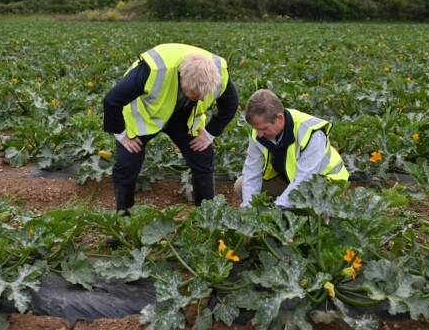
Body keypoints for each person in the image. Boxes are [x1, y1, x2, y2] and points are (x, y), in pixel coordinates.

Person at [103, 43, 239, 213]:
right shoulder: (152, 70)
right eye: (194, 93)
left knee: (202, 156)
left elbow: (231, 104)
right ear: (181, 76)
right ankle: (123, 219)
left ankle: (206, 216)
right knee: (126, 164)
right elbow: (111, 100)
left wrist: (211, 133)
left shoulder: (219, 73)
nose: (199, 98)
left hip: (184, 116)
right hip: (146, 114)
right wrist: (121, 135)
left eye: (202, 95)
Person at [235, 89, 348, 208]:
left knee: (308, 208)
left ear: (279, 119)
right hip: (290, 181)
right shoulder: (259, 132)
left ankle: (323, 218)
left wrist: (277, 211)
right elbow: (252, 172)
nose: (259, 134)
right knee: (241, 185)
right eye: (256, 129)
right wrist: (248, 209)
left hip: (324, 185)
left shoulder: (311, 132)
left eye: (264, 129)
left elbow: (304, 180)